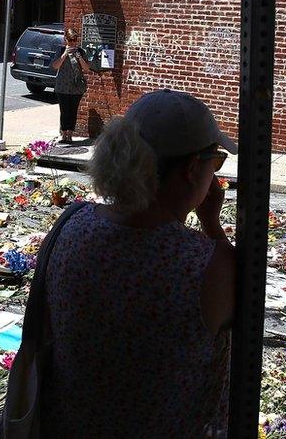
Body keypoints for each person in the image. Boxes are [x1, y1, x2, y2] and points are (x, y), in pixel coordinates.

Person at [35, 89, 237, 437]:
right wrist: (211, 225)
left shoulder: (71, 223)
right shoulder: (207, 265)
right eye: (215, 162)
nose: (216, 174)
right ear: (192, 169)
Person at [50, 28, 91, 144]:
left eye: (74, 40)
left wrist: (79, 58)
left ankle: (70, 135)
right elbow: (55, 66)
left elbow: (87, 69)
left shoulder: (81, 52)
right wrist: (64, 55)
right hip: (62, 87)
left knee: (73, 111)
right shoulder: (61, 50)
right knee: (64, 111)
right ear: (66, 40)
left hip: (76, 87)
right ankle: (64, 134)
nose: (73, 43)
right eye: (70, 40)